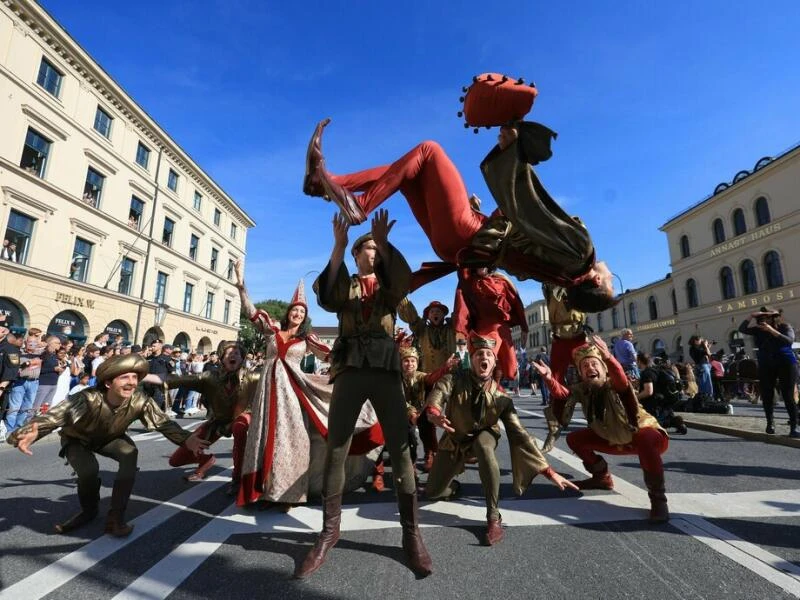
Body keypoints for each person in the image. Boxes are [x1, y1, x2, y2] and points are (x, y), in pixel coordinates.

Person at [302, 118, 617, 313]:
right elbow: (517, 230)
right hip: (456, 246)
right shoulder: (559, 275)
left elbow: (532, 207)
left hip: (466, 231)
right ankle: (326, 184)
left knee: (429, 150)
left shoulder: (580, 253)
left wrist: (515, 154)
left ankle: (359, 204)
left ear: (598, 280)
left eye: (611, 283)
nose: (610, 272)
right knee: (407, 174)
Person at [295, 209, 432, 579]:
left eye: (375, 247)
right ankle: (329, 531)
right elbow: (327, 297)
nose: (371, 251)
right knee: (337, 446)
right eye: (366, 247)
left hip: (386, 368)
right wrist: (338, 247)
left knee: (401, 447)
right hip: (352, 367)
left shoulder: (389, 288)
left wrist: (386, 244)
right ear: (356, 255)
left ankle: (412, 534)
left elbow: (401, 285)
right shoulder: (347, 285)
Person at [6, 354, 208, 535]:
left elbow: (164, 423)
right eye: (124, 377)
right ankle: (89, 511)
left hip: (110, 439)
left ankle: (116, 518)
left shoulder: (140, 400)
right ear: (109, 383)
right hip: (78, 440)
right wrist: (24, 434)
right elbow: (54, 416)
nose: (131, 383)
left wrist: (186, 439)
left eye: (134, 378)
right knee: (88, 471)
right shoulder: (87, 398)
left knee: (129, 453)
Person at [234, 261, 382, 505]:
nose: (298, 314)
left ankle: (289, 494)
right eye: (295, 310)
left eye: (302, 312)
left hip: (292, 394)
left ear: (305, 318)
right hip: (268, 394)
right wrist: (241, 287)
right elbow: (252, 313)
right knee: (262, 437)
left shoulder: (307, 338)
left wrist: (359, 352)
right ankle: (261, 490)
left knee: (292, 440)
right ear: (289, 312)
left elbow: (330, 354)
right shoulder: (272, 330)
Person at [425, 335, 578, 545]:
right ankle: (453, 487)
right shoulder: (454, 378)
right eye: (479, 354)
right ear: (472, 359)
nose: (484, 358)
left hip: (484, 433)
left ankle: (493, 517)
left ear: (494, 362)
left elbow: (520, 434)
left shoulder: (501, 397)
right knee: (432, 492)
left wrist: (548, 471)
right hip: (455, 438)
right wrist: (434, 412)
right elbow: (438, 393)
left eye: (489, 354)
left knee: (484, 447)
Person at [532, 336, 670, 523]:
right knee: (575, 439)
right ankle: (602, 477)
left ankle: (658, 500)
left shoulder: (614, 382)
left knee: (646, 440)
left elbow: (621, 379)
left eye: (594, 364)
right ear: (580, 373)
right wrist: (549, 379)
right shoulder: (582, 389)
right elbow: (563, 394)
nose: (590, 368)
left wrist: (608, 357)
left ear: (604, 368)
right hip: (612, 437)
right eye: (585, 366)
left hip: (641, 433)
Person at [151, 340, 260, 482]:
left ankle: (237, 478)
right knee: (176, 460)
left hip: (243, 418)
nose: (232, 355)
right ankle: (205, 460)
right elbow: (180, 379)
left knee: (239, 427)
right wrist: (142, 376)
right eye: (228, 353)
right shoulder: (210, 377)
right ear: (222, 358)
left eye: (236, 353)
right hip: (218, 422)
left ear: (242, 358)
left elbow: (277, 379)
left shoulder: (253, 377)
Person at [396, 298, 457, 471]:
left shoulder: (452, 327)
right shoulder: (422, 329)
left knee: (456, 416)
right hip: (427, 378)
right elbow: (412, 317)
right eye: (432, 311)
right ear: (428, 315)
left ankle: (461, 450)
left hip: (450, 379)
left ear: (444, 314)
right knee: (427, 420)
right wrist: (401, 295)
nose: (436, 313)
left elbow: (462, 314)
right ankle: (431, 453)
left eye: (439, 311)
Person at [394, 342, 456, 487]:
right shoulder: (396, 379)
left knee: (428, 428)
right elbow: (399, 398)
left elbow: (433, 377)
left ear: (417, 363)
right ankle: (411, 466)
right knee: (409, 439)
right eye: (406, 361)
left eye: (413, 361)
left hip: (421, 411)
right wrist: (411, 413)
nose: (410, 364)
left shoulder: (421, 376)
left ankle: (430, 455)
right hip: (403, 413)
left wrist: (445, 367)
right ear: (401, 363)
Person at [452, 267, 528, 382]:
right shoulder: (470, 283)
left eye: (484, 263)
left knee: (511, 371)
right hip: (482, 329)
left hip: (503, 330)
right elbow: (461, 308)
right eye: (478, 263)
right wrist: (461, 333)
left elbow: (516, 303)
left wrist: (524, 327)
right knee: (484, 363)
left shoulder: (502, 280)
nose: (481, 266)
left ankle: (496, 387)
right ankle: (488, 390)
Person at [739, 306, 798, 437]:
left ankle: (794, 427)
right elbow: (741, 329)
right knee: (767, 395)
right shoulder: (757, 331)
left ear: (773, 318)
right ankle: (770, 423)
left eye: (767, 317)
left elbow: (789, 341)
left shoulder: (784, 327)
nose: (764, 320)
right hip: (766, 363)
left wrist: (771, 330)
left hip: (785, 362)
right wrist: (751, 315)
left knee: (788, 396)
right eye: (762, 318)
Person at [636, 352, 687, 435]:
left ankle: (672, 422)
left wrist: (637, 397)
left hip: (653, 404)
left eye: (636, 361)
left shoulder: (646, 373)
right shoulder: (656, 369)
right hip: (664, 401)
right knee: (664, 415)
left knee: (651, 424)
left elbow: (648, 391)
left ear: (639, 361)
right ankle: (676, 422)